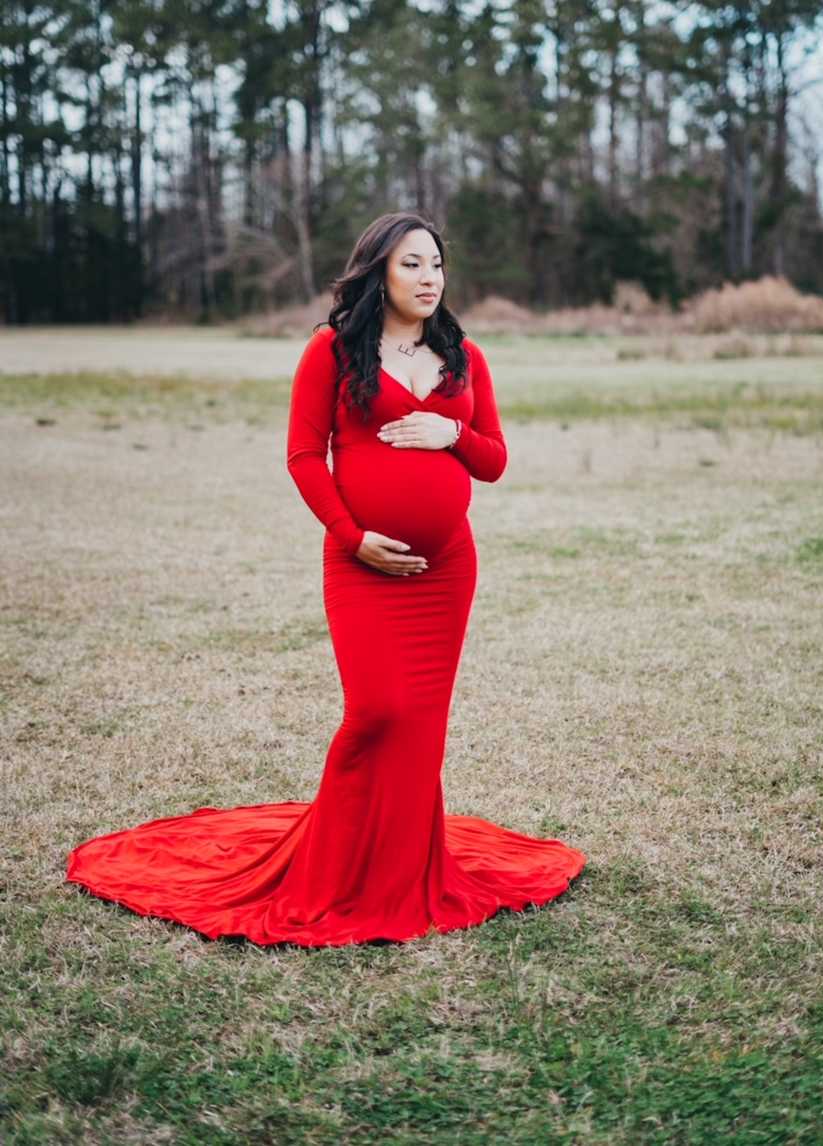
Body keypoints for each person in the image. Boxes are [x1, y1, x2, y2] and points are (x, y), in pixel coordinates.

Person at [65, 212, 586, 946]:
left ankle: (404, 873)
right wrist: (353, 537)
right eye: (411, 264)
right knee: (376, 712)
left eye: (436, 263)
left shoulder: (463, 356)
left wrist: (452, 434)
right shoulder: (332, 350)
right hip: (361, 567)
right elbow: (305, 457)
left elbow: (494, 460)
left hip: (446, 573)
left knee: (421, 726)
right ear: (378, 271)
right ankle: (336, 868)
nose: (429, 277)